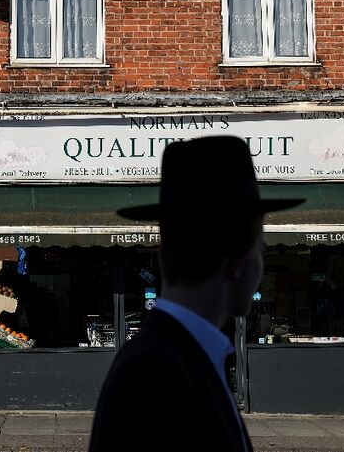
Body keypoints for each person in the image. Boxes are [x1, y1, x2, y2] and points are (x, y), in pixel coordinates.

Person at [89, 136, 303, 452]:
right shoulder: (154, 371)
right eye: (262, 248)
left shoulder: (182, 356)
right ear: (238, 259)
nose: (262, 263)